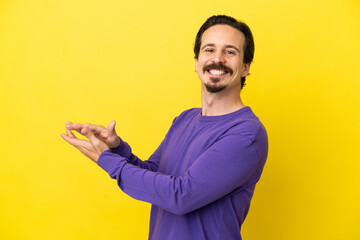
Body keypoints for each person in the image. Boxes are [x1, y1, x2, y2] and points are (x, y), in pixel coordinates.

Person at [62, 15, 268, 240]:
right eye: (209, 50)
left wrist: (108, 161)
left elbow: (181, 196)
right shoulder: (185, 119)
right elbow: (154, 175)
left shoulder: (247, 133)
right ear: (197, 62)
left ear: (246, 67)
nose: (217, 59)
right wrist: (116, 149)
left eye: (230, 52)